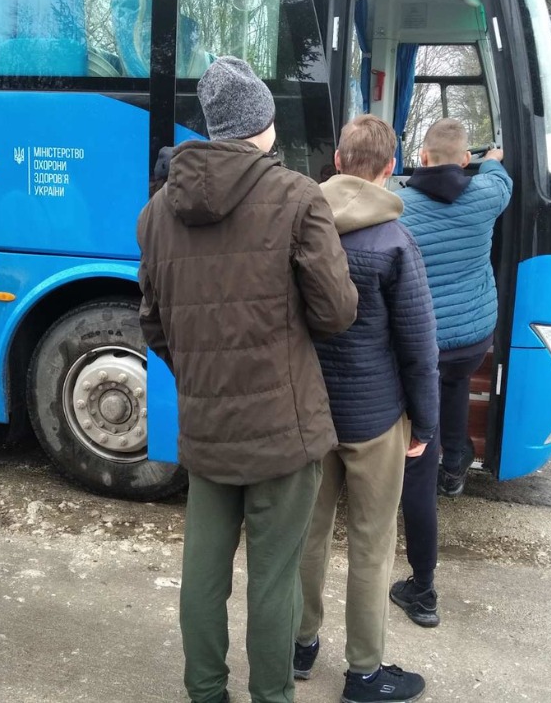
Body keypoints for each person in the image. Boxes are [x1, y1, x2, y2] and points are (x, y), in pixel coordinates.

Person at [137, 56, 358, 703]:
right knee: (274, 577)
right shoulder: (297, 196)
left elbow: (154, 325)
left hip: (207, 425)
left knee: (202, 574)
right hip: (282, 432)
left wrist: (205, 373)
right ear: (264, 125)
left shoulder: (157, 212)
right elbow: (337, 312)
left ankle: (205, 693)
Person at [293, 115, 438, 703]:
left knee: (308, 534)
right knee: (372, 545)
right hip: (376, 419)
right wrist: (425, 422)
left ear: (335, 158)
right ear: (388, 169)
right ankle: (364, 673)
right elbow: (418, 346)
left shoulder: (300, 227)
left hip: (309, 411)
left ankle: (299, 646)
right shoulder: (395, 242)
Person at [389, 117, 512, 628]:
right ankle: (457, 465)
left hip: (425, 348)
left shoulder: (399, 207)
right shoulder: (487, 194)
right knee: (457, 385)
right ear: (463, 160)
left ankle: (423, 588)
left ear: (421, 154)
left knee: (418, 457)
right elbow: (499, 171)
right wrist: (485, 159)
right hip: (473, 338)